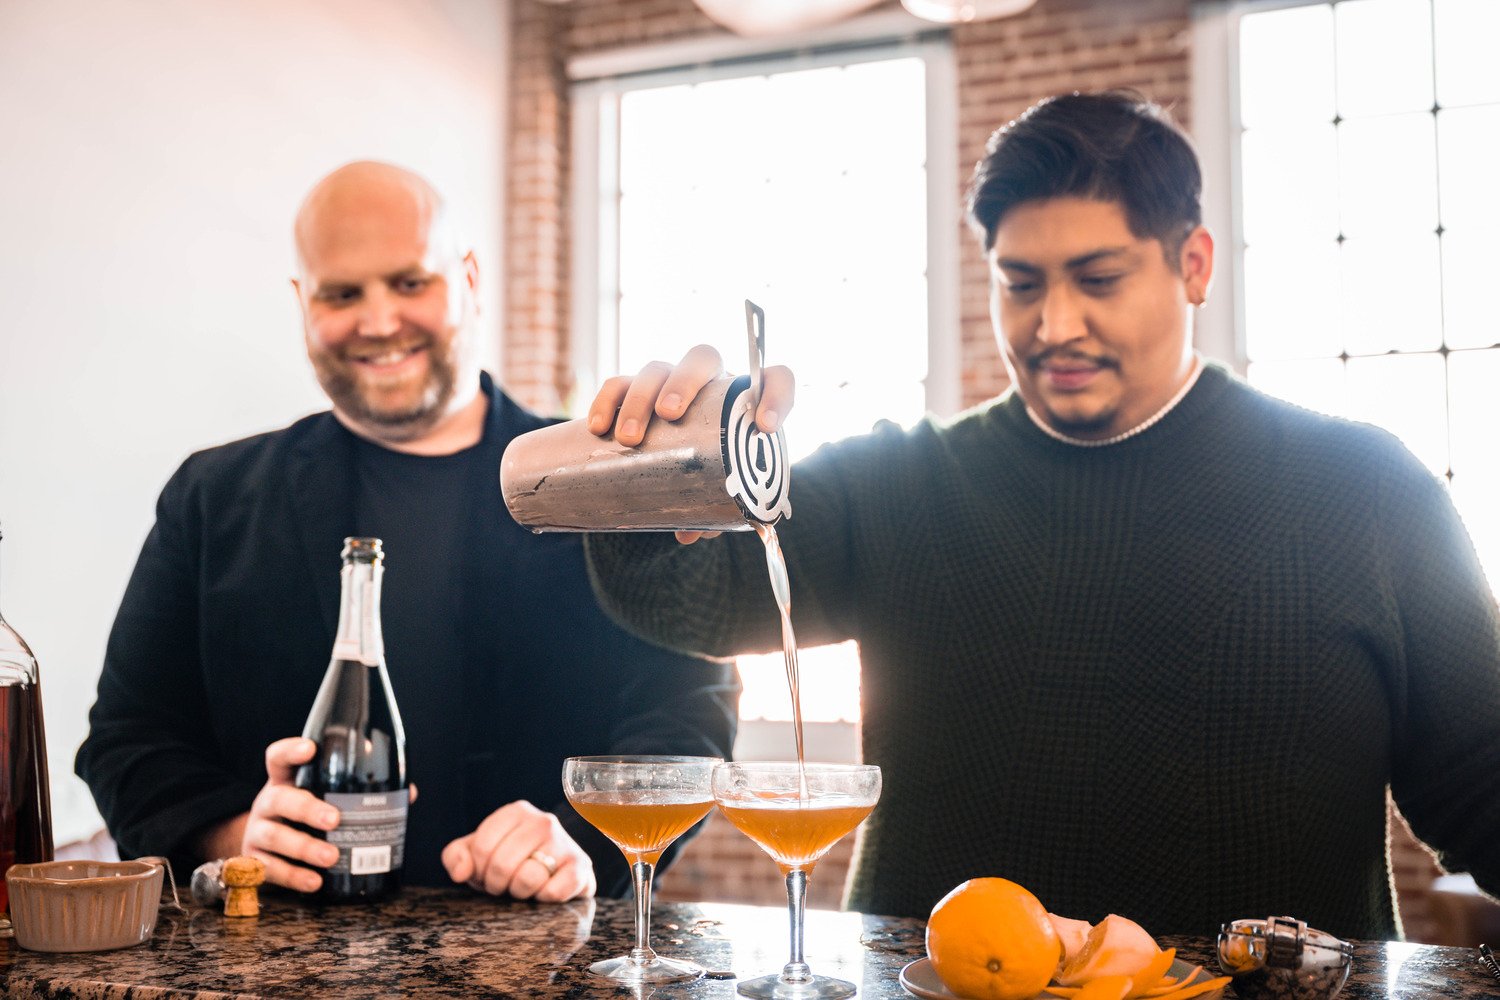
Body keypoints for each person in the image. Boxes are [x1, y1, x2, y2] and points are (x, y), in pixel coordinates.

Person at [580, 91, 1500, 938]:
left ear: (1194, 265)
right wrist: (666, 470)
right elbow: (688, 600)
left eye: (1097, 278)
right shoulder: (903, 481)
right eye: (1021, 283)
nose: (1053, 325)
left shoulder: (1368, 491)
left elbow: (1483, 786)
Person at [75, 161, 737, 903]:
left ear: (470, 278)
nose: (380, 320)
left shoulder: (603, 488)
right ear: (303, 302)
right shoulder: (211, 495)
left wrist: (585, 843)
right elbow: (127, 740)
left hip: (545, 958)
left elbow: (688, 715)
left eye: (410, 282)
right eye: (342, 293)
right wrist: (234, 835)